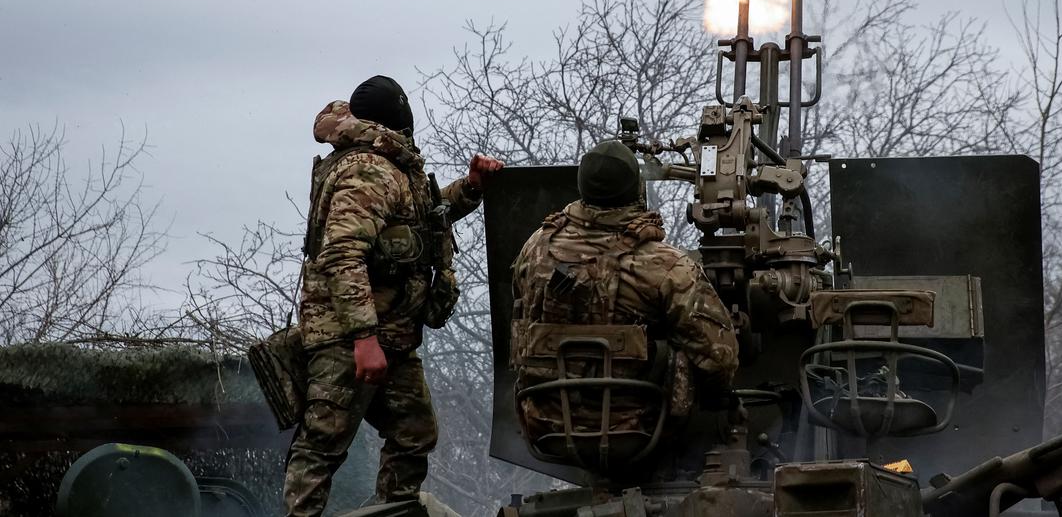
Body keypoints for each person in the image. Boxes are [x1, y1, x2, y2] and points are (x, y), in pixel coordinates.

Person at [284, 75, 503, 517]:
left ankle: (390, 514)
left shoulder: (389, 165)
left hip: (390, 336)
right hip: (351, 338)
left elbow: (421, 219)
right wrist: (363, 339)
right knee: (323, 444)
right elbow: (342, 253)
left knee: (414, 432)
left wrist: (471, 186)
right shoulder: (369, 168)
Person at [509, 139, 737, 459]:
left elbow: (520, 303)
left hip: (544, 427)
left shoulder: (536, 247)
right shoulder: (667, 265)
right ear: (635, 190)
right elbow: (720, 358)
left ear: (582, 187)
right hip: (637, 431)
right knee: (689, 350)